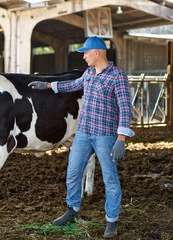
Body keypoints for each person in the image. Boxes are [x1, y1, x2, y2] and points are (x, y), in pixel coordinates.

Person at [28, 36, 134, 238]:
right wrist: (48, 86)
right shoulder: (88, 73)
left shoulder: (117, 77)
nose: (83, 56)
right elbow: (73, 85)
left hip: (105, 135)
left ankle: (111, 221)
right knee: (73, 172)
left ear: (97, 53)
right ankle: (72, 211)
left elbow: (125, 109)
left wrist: (121, 139)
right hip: (84, 133)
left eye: (86, 52)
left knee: (110, 179)